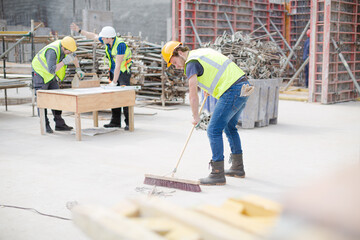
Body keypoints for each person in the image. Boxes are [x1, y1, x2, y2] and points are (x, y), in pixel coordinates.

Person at [161, 41, 254, 185]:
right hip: (243, 86)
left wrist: (195, 116)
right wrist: (208, 86)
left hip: (232, 90)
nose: (177, 66)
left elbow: (192, 94)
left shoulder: (190, 63)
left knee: (213, 130)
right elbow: (213, 70)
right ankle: (237, 167)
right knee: (230, 127)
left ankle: (217, 173)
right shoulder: (199, 53)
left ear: (179, 53)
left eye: (174, 62)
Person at [71, 23, 132, 130]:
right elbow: (93, 36)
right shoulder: (107, 41)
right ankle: (115, 121)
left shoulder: (120, 45)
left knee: (124, 96)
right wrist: (79, 30)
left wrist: (114, 82)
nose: (101, 38)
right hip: (113, 71)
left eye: (103, 37)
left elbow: (118, 65)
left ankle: (129, 123)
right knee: (114, 95)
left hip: (123, 72)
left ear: (109, 38)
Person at [32, 36, 85, 133]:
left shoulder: (66, 44)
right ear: (63, 48)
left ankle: (59, 124)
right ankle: (45, 125)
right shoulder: (52, 51)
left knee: (57, 98)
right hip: (40, 73)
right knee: (42, 100)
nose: (70, 53)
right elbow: (51, 70)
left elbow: (74, 56)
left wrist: (78, 68)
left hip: (50, 75)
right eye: (68, 52)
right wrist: (64, 61)